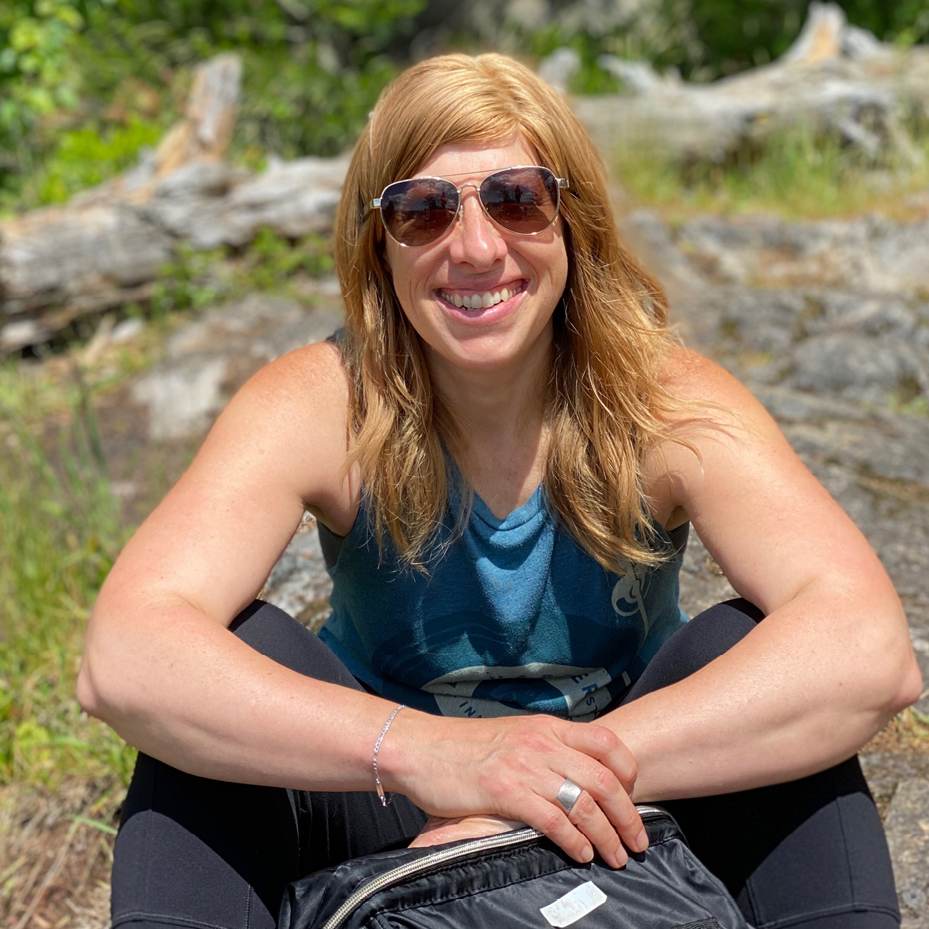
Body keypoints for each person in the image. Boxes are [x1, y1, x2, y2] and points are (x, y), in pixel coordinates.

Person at [78, 53, 922, 929]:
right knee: (226, 660)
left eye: (517, 199)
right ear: (378, 243)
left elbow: (865, 647)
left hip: (635, 790)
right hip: (390, 805)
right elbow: (127, 654)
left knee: (750, 647)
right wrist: (427, 755)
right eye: (422, 211)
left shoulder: (666, 402)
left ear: (573, 224)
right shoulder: (319, 402)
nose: (476, 247)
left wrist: (541, 774)